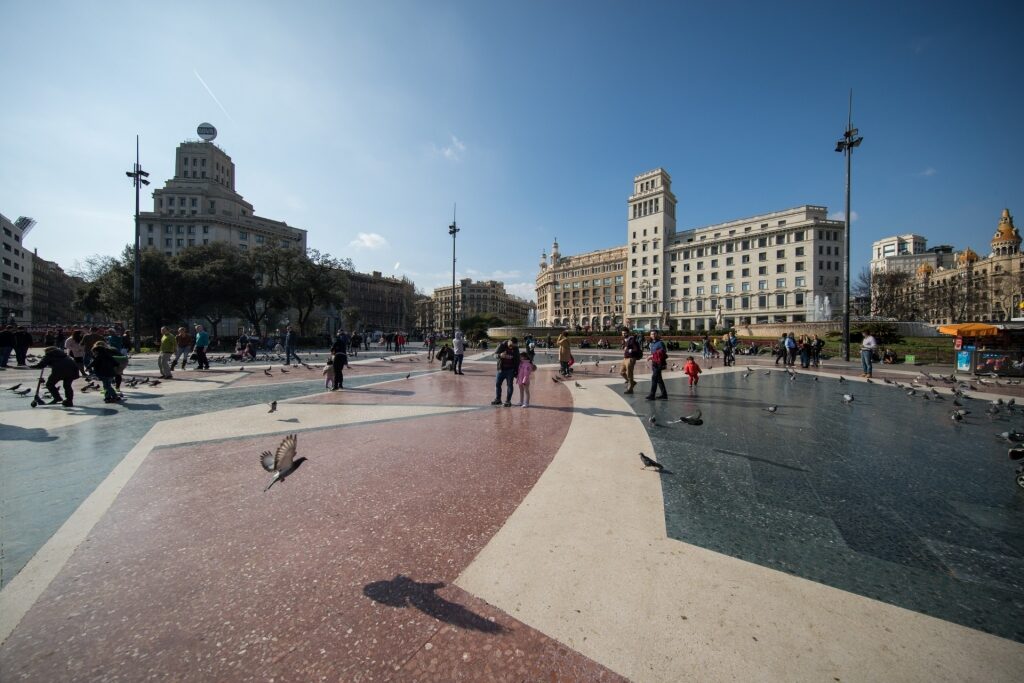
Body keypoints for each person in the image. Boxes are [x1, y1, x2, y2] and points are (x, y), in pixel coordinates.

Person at [492, 337, 520, 407]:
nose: (512, 346)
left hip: (510, 370)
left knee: (510, 385)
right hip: (501, 369)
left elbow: (517, 360)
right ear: (509, 341)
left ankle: (508, 401)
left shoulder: (516, 348)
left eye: (514, 345)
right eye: (512, 344)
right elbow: (494, 355)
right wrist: (500, 355)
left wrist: (516, 372)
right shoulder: (501, 345)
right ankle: (498, 399)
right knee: (498, 384)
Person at [646, 330, 668, 400]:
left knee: (654, 378)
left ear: (657, 334)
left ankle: (652, 395)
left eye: (654, 334)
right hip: (654, 363)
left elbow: (662, 353)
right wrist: (652, 356)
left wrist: (651, 356)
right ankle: (664, 394)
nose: (653, 335)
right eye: (651, 334)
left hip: (659, 363)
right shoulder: (652, 343)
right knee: (659, 379)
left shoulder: (660, 343)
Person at [620, 328, 642, 394]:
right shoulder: (624, 340)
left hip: (631, 358)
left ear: (628, 333)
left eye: (625, 333)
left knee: (629, 374)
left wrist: (630, 350)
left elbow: (636, 349)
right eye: (622, 333)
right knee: (621, 372)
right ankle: (632, 382)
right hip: (625, 358)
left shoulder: (632, 339)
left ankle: (630, 389)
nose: (624, 334)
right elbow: (625, 348)